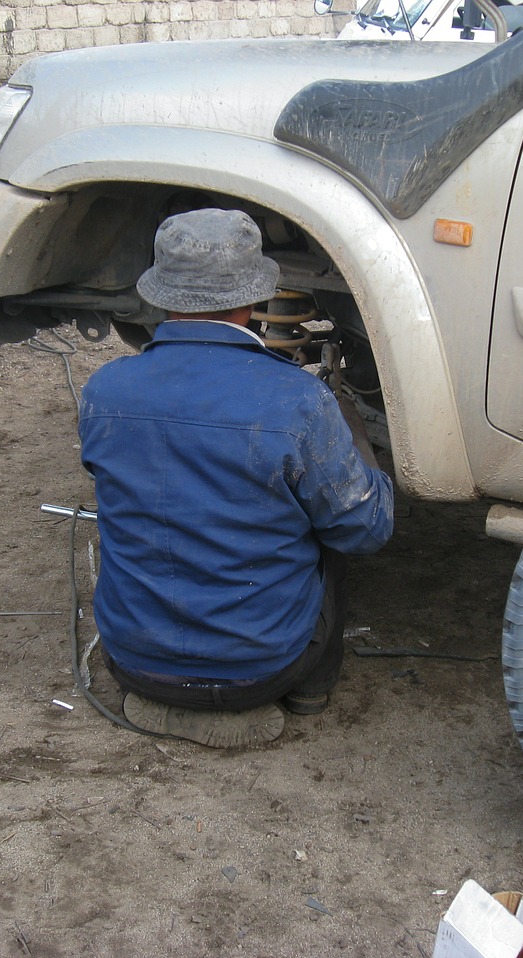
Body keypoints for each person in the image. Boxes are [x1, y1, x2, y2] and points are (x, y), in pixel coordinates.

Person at [78, 208, 394, 748]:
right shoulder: (299, 402)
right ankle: (308, 692)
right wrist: (363, 454)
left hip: (132, 663)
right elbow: (367, 530)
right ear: (253, 299)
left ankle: (169, 697)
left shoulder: (103, 392)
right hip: (264, 672)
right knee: (332, 528)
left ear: (159, 295)